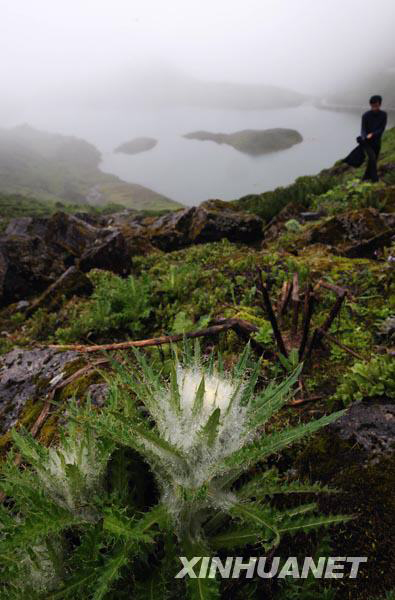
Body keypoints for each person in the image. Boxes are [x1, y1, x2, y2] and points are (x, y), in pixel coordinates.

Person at [343, 95, 387, 182]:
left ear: (380, 104)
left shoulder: (383, 115)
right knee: (372, 158)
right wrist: (364, 136)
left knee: (373, 160)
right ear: (370, 105)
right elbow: (363, 129)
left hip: (377, 141)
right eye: (372, 105)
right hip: (367, 142)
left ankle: (366, 178)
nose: (374, 107)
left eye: (376, 105)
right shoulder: (365, 115)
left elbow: (381, 129)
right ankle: (375, 179)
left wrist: (373, 134)